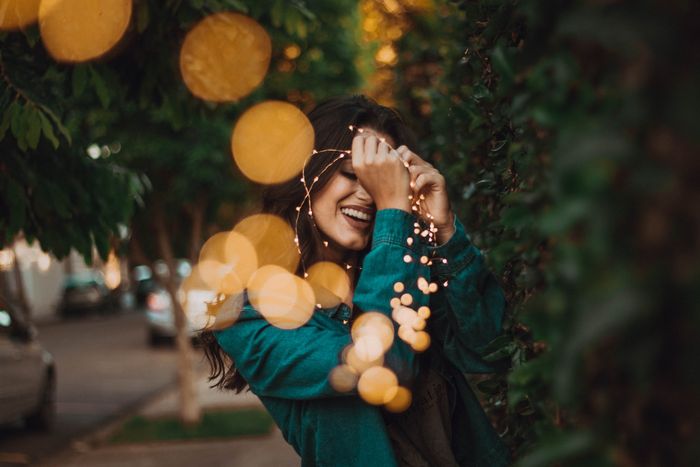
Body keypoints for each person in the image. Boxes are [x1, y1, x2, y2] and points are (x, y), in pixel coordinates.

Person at [201, 95, 510, 467]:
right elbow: (381, 364)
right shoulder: (254, 314)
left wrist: (444, 232)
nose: (368, 195)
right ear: (305, 173)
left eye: (382, 182)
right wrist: (395, 212)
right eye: (352, 173)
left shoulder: (406, 269)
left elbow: (491, 349)